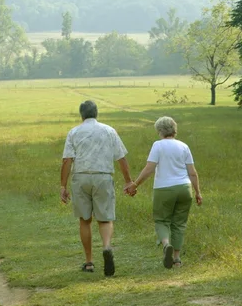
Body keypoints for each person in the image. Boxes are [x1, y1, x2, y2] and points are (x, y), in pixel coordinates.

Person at [60, 99, 135, 276]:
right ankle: (107, 246)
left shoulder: (74, 132)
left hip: (81, 177)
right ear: (96, 113)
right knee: (105, 218)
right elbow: (121, 158)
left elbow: (67, 160)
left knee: (85, 220)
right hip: (103, 177)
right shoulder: (109, 131)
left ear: (81, 115)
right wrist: (128, 181)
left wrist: (63, 186)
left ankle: (89, 262)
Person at [125, 115, 202, 268]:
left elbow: (149, 169)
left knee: (162, 220)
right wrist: (198, 192)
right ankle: (177, 258)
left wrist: (135, 185)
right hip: (184, 189)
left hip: (164, 188)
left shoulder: (158, 145)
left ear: (159, 131)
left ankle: (166, 244)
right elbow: (193, 172)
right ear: (174, 130)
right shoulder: (184, 146)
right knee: (179, 223)